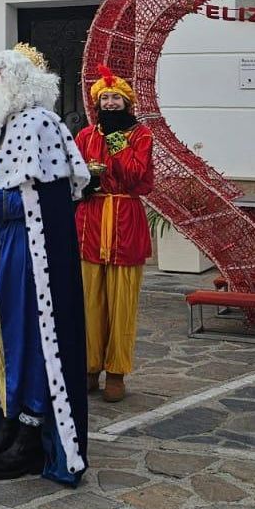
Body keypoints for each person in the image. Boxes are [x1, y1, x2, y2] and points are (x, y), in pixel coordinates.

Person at [0, 44, 92, 485]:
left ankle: (34, 432)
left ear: (17, 83)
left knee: (30, 337)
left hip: (25, 250)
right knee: (2, 335)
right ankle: (9, 423)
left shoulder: (38, 124)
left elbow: (39, 200)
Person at [74, 64, 154, 403]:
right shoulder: (84, 136)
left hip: (124, 220)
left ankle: (117, 372)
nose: (109, 103)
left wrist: (116, 140)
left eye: (115, 98)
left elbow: (137, 175)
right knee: (88, 301)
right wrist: (84, 184)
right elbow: (72, 173)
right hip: (91, 221)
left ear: (127, 102)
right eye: (104, 98)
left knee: (122, 303)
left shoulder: (141, 135)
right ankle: (89, 367)